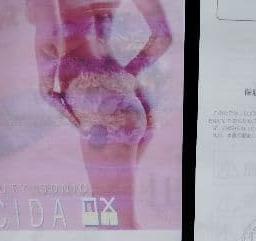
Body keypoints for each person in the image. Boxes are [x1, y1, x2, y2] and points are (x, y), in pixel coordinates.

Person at [26, 0, 173, 228]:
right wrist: (128, 74)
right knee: (103, 212)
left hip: (97, 105)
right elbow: (163, 36)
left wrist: (67, 111)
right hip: (128, 98)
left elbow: (50, 39)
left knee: (116, 221)